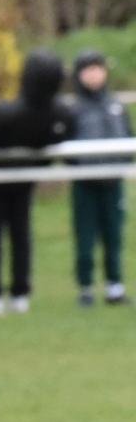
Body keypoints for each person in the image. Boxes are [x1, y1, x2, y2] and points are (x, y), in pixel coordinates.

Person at [0, 51, 70, 315]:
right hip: (20, 181)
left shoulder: (5, 113)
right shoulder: (58, 114)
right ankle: (18, 293)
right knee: (20, 236)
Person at [68, 49, 128, 306]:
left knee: (113, 234)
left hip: (113, 182)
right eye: (88, 69)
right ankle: (86, 288)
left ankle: (114, 286)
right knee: (85, 237)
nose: (93, 74)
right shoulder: (74, 109)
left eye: (97, 68)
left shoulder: (115, 106)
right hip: (85, 183)